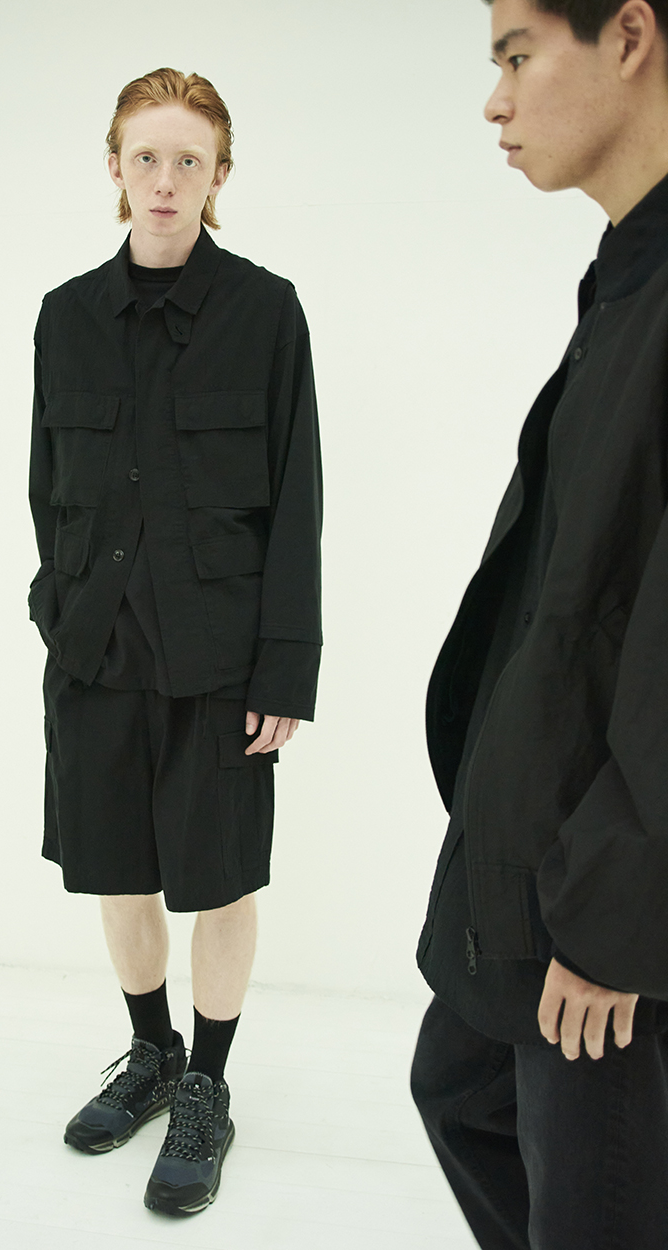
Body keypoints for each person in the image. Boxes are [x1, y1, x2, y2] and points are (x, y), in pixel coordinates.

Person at [27, 68, 322, 1217]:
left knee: (219, 875)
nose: (164, 180)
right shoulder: (64, 316)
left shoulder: (266, 311)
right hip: (95, 649)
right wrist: (54, 609)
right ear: (114, 166)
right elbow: (46, 481)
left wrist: (285, 663)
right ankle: (150, 1052)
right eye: (145, 157)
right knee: (117, 863)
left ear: (219, 174)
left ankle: (207, 1084)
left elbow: (297, 495)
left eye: (187, 160)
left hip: (221, 659)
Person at [411, 2, 668, 1247]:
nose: (495, 100)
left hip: (605, 897)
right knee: (458, 1089)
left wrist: (618, 915)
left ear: (628, 36)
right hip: (534, 849)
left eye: (517, 54)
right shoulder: (628, 273)